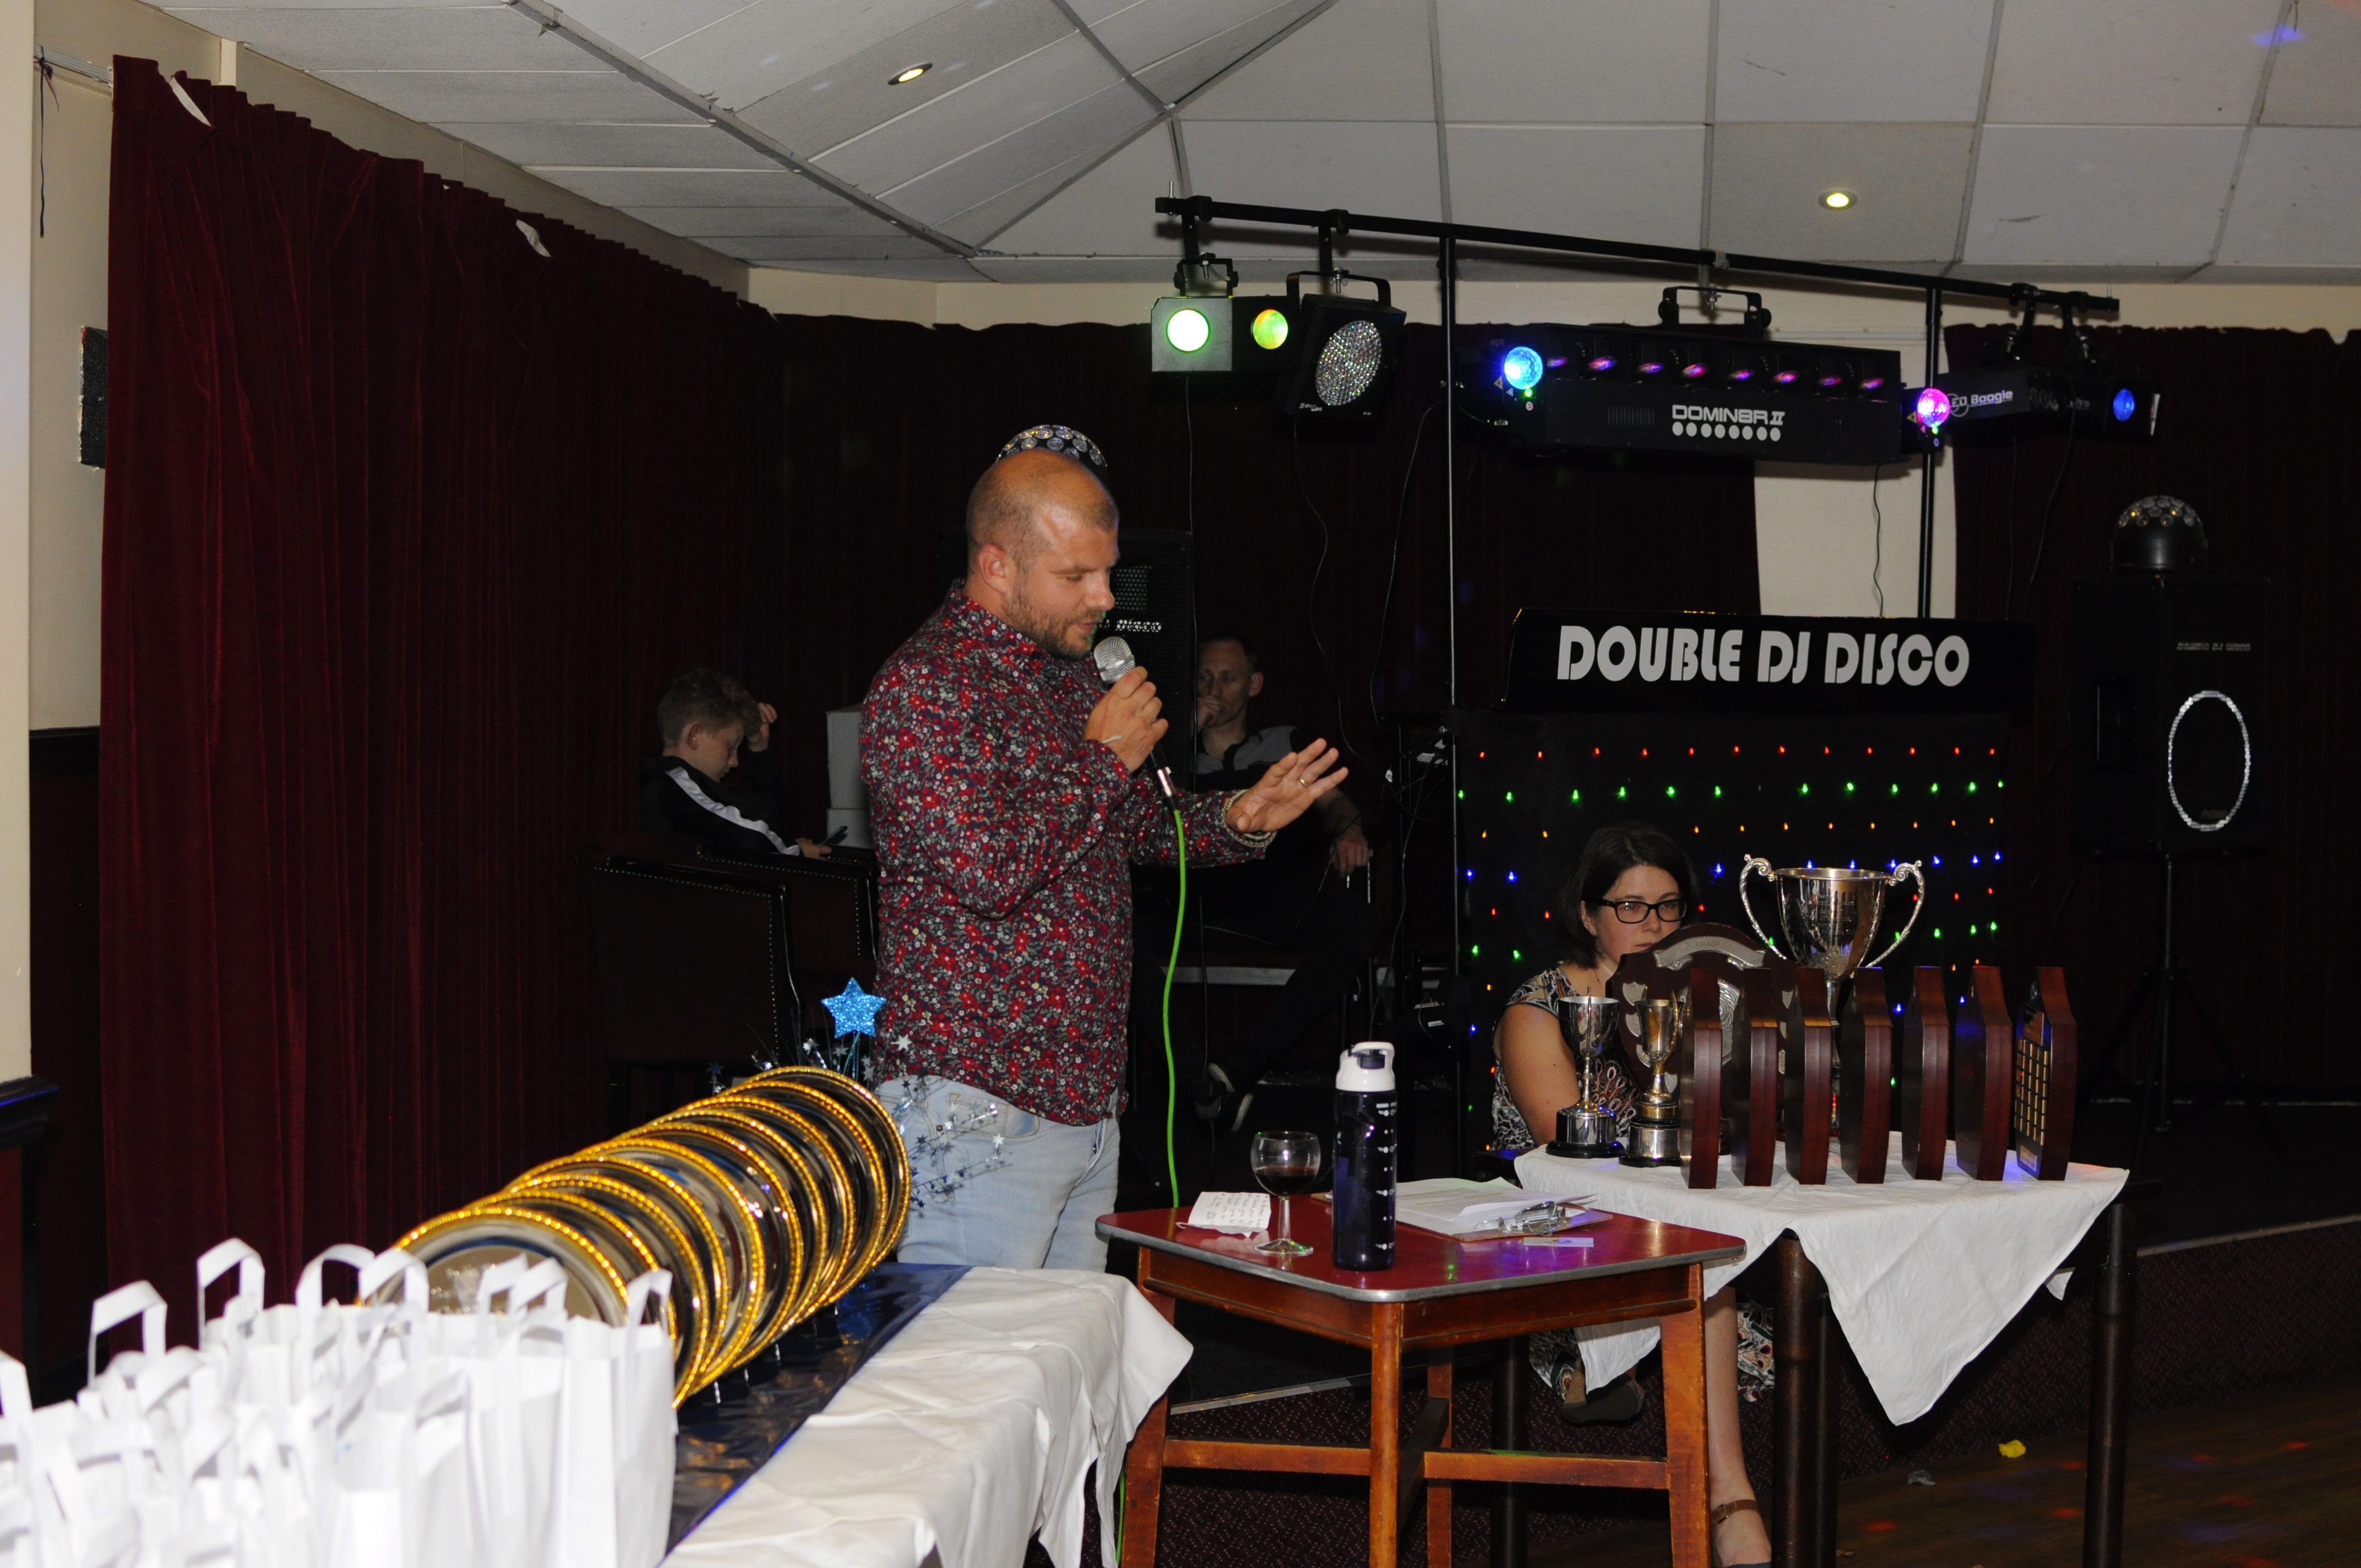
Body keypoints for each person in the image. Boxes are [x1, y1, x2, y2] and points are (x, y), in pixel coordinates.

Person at [861, 425, 1345, 1271]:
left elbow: (1135, 827)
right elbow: (988, 870)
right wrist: (1103, 759)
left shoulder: (1071, 676)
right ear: (996, 565)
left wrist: (1241, 817)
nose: (1105, 598)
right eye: (1075, 576)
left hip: (1086, 1105)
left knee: (1074, 1349)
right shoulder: (927, 685)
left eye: (1107, 572)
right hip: (974, 1104)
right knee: (983, 1352)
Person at [1492, 820, 1771, 1568]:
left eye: (1669, 907)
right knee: (1702, 1264)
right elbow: (1564, 1148)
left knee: (1716, 1252)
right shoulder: (1539, 1008)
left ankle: (1725, 1489)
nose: (1653, 925)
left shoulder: (1704, 1001)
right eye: (1631, 907)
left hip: (1675, 1213)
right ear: (1588, 916)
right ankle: (1726, 1496)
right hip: (1560, 1223)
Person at [1185, 633, 1380, 1130]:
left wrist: (1349, 830)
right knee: (1118, 934)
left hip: (1272, 896)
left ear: (1254, 685)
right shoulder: (1171, 755)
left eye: (1228, 678)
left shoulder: (1283, 743)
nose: (1214, 689)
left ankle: (1240, 1066)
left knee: (1357, 924)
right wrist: (1186, 734)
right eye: (1204, 677)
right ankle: (1197, 1081)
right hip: (1192, 904)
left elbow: (1336, 803)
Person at [639, 667, 830, 858]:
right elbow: (753, 838)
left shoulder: (692, 788)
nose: (735, 762)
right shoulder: (674, 785)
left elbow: (767, 821)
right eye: (730, 747)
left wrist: (759, 748)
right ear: (695, 736)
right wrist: (795, 852)